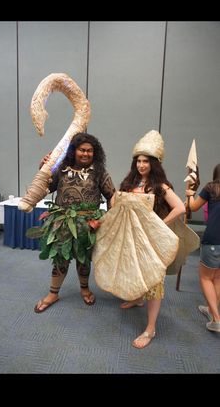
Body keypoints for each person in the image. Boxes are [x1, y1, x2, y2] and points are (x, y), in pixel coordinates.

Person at [93, 130, 186, 349]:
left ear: (155, 163)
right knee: (131, 269)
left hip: (150, 243)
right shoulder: (128, 184)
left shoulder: (161, 186)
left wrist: (160, 226)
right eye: (138, 161)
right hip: (128, 239)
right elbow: (115, 206)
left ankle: (150, 329)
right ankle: (137, 298)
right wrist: (103, 222)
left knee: (154, 281)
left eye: (146, 161)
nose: (141, 165)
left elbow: (180, 207)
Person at [34, 132, 116, 313]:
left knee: (84, 259)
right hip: (62, 222)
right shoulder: (61, 168)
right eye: (82, 150)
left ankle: (85, 289)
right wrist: (44, 167)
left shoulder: (99, 172)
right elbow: (46, 187)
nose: (86, 154)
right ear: (74, 151)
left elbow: (112, 195)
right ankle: (53, 293)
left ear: (95, 153)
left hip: (87, 224)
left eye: (89, 151)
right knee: (60, 258)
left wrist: (110, 219)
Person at [186, 163, 220, 332]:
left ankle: (217, 319)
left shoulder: (212, 187)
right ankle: (211, 309)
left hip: (213, 239)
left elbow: (193, 207)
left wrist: (189, 194)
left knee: (206, 278)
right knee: (217, 278)